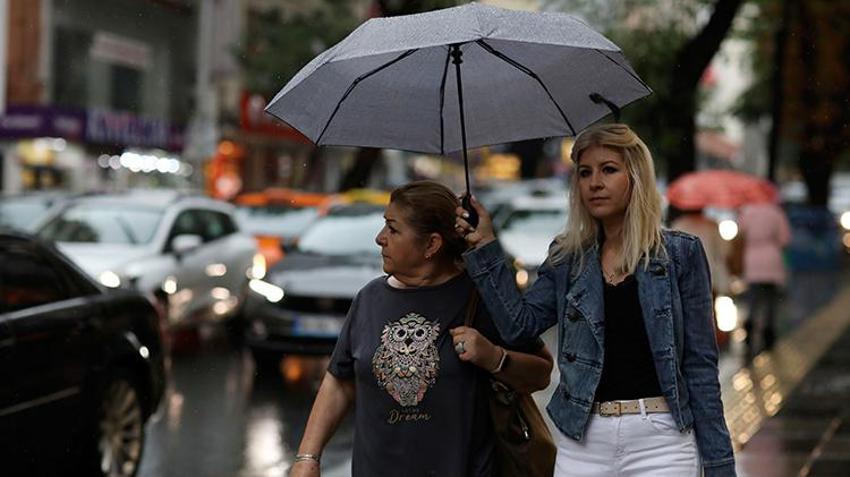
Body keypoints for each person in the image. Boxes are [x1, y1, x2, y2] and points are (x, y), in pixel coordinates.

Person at [456, 123, 736, 476]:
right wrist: (484, 247)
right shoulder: (568, 258)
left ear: (635, 176)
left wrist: (719, 464)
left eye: (609, 170)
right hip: (583, 442)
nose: (594, 183)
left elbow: (700, 366)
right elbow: (518, 327)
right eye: (585, 172)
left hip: (661, 442)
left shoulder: (679, 254)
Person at [289, 181, 553, 477]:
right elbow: (339, 381)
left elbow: (541, 372)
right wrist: (308, 457)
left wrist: (494, 357)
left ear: (431, 245)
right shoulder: (370, 299)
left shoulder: (481, 298)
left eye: (393, 229)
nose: (380, 238)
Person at [736, 201, 790, 354]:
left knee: (752, 298)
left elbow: (740, 235)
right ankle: (769, 332)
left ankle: (750, 327)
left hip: (752, 259)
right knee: (770, 299)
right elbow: (785, 239)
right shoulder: (776, 213)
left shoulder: (747, 213)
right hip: (772, 259)